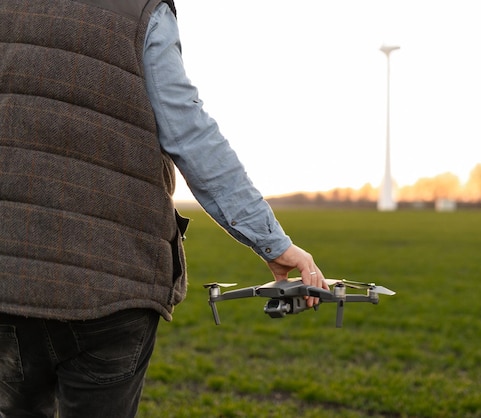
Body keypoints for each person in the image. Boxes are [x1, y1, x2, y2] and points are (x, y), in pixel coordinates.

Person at [0, 1, 328, 416]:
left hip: (9, 280)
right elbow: (191, 136)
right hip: (113, 287)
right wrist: (273, 243)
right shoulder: (141, 12)